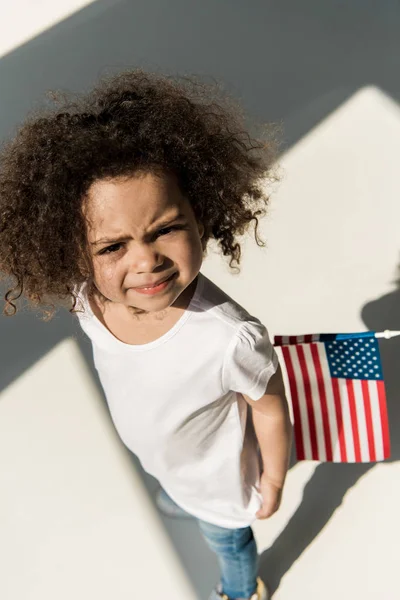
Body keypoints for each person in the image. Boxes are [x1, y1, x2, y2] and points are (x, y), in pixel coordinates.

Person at [0, 70, 292, 600]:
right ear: (76, 254)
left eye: (165, 229)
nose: (146, 260)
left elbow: (270, 406)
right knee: (167, 475)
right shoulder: (88, 298)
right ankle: (174, 492)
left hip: (217, 482)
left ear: (199, 214)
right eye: (113, 247)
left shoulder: (228, 338)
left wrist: (271, 482)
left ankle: (240, 590)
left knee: (226, 541)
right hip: (163, 456)